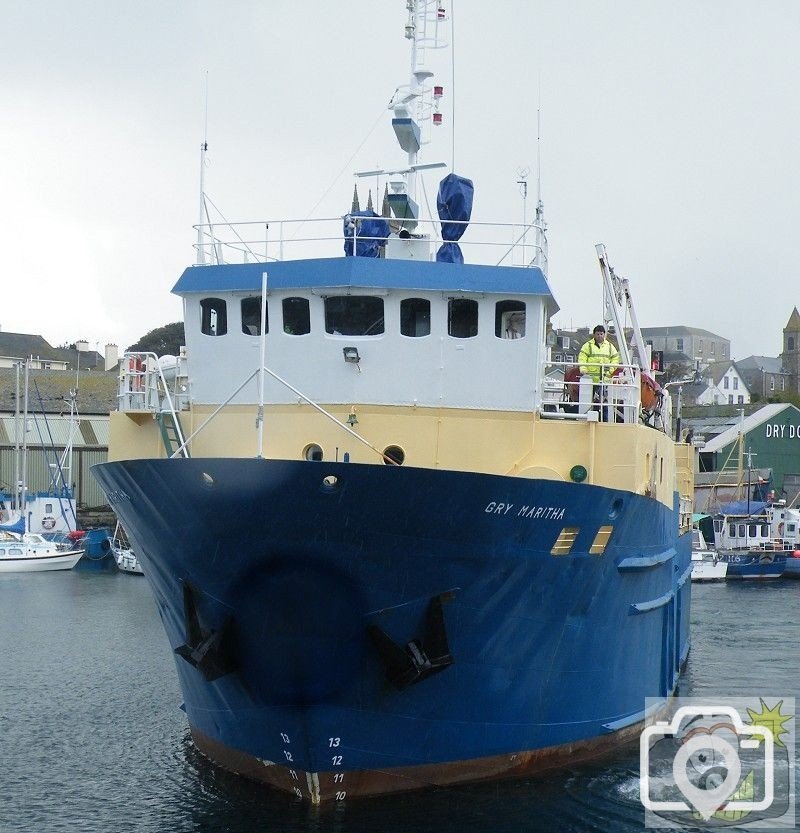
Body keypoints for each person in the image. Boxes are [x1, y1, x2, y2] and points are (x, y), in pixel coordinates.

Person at [578, 324, 620, 419]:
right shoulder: (588, 346)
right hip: (591, 380)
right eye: (598, 334)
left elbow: (615, 359)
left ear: (604, 334)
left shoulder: (610, 346)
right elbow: (582, 358)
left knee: (604, 402)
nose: (600, 336)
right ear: (594, 335)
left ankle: (604, 420)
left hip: (605, 379)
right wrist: (583, 369)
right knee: (591, 402)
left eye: (601, 334)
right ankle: (592, 418)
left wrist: (610, 371)